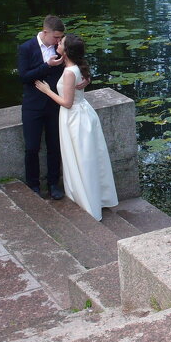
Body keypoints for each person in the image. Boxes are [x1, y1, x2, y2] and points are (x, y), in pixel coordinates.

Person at [35, 33, 119, 221]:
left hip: (74, 118)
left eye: (62, 42)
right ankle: (93, 198)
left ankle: (85, 200)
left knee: (80, 159)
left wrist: (47, 90)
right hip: (83, 114)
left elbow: (66, 103)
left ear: (67, 51)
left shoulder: (69, 72)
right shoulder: (76, 68)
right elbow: (81, 82)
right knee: (87, 158)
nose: (58, 42)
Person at [16, 15, 85, 198]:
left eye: (60, 38)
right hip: (33, 106)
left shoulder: (61, 47)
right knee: (31, 147)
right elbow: (24, 77)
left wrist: (86, 78)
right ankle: (33, 185)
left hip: (56, 105)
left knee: (55, 145)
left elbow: (78, 63)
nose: (58, 41)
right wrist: (46, 66)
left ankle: (54, 183)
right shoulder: (26, 48)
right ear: (45, 32)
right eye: (55, 37)